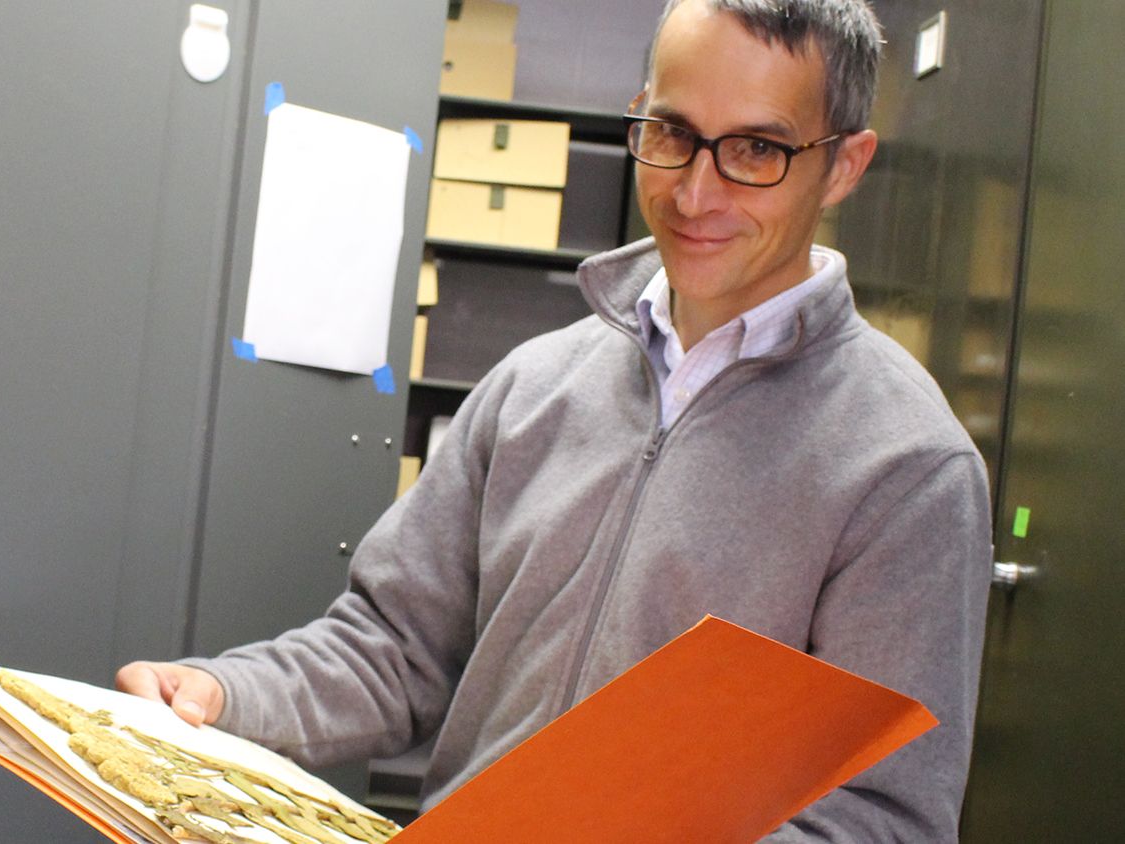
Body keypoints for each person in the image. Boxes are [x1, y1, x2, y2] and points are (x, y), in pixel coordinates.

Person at [119, 0, 993, 839]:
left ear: (844, 164)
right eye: (672, 133)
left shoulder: (905, 468)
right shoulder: (534, 383)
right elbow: (391, 649)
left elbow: (883, 819)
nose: (694, 193)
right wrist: (216, 696)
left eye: (756, 150)